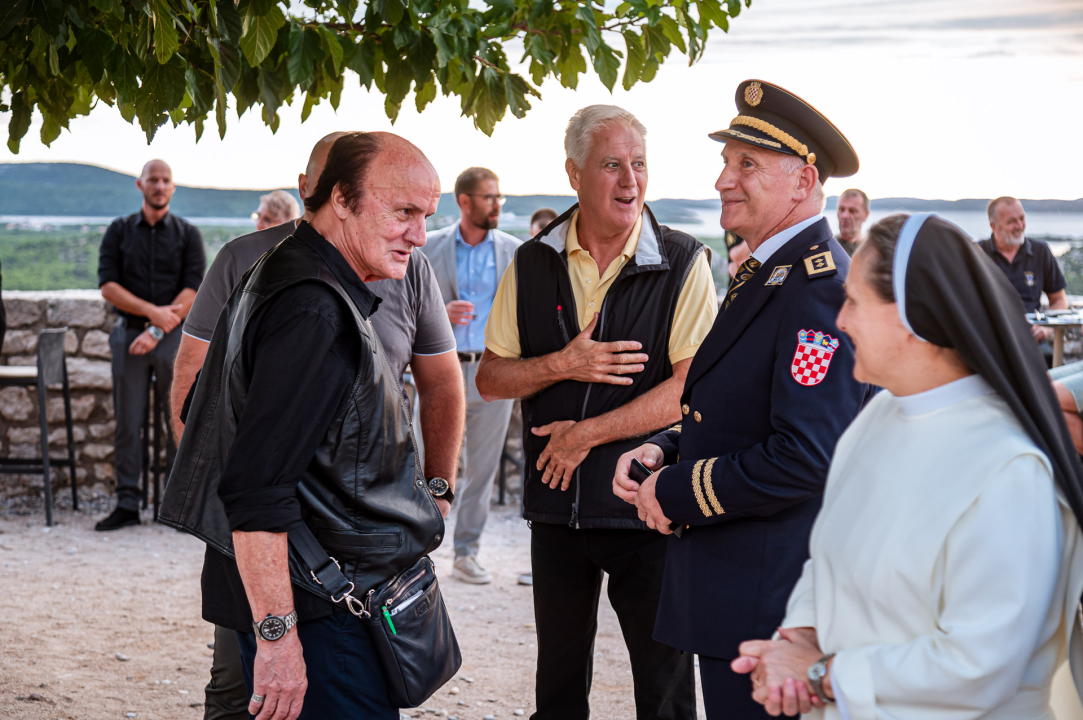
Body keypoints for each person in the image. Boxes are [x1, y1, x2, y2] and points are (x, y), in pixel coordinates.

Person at [731, 213, 1083, 719]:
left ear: (914, 317)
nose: (840, 321)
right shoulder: (881, 412)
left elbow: (978, 663)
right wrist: (799, 638)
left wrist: (821, 674)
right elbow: (828, 557)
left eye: (853, 301)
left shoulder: (1009, 466)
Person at [170, 133, 463, 720]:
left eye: (426, 216)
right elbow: (255, 488)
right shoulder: (313, 308)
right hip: (324, 610)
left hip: (323, 596)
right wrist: (278, 641)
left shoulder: (288, 272)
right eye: (403, 212)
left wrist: (435, 490)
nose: (419, 234)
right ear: (340, 199)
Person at [611, 80, 871, 719]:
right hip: (737, 586)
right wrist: (663, 446)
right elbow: (740, 410)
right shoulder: (767, 272)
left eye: (746, 165)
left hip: (769, 600)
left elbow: (806, 455)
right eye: (726, 162)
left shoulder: (816, 289)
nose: (724, 179)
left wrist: (674, 491)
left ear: (803, 181)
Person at [477, 104, 718, 720]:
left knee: (663, 695)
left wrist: (587, 433)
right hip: (556, 510)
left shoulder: (685, 262)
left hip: (649, 508)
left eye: (639, 165)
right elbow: (490, 377)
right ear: (574, 173)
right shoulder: (532, 262)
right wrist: (564, 363)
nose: (630, 181)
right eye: (612, 165)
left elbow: (692, 388)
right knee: (556, 691)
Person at [420, 167, 521, 585]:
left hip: (491, 374)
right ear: (464, 202)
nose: (497, 205)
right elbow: (409, 308)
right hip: (438, 374)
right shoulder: (430, 247)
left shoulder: (516, 251)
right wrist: (440, 315)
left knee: (482, 469)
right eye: (489, 198)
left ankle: (467, 552)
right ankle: (419, 551)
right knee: (427, 466)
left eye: (499, 197)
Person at [95, 159, 205, 531]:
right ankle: (127, 503)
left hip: (174, 339)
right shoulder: (119, 231)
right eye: (153, 180)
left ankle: (177, 509)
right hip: (128, 335)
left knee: (177, 420)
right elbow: (108, 285)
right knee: (127, 421)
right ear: (139, 185)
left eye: (166, 180)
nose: (159, 186)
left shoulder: (188, 234)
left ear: (173, 188)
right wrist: (151, 314)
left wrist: (159, 328)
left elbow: (193, 289)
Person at [978, 197, 1067, 363]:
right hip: (991, 338)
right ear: (993, 226)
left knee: (1046, 361)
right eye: (1012, 221)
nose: (1019, 226)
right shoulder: (977, 253)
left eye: (1022, 218)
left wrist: (1045, 328)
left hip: (1031, 340)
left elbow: (1059, 300)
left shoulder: (1041, 252)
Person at [834, 188, 869, 257]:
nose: (845, 216)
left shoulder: (871, 251)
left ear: (865, 215)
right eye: (841, 209)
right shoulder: (827, 246)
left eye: (852, 211)